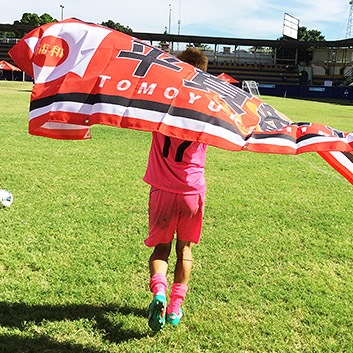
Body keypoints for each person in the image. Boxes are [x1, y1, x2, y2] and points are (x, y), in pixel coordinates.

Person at [143, 47, 208, 331]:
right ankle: (175, 307)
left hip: (161, 189)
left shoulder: (160, 100)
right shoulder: (208, 106)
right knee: (185, 249)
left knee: (161, 249)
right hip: (192, 191)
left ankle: (159, 291)